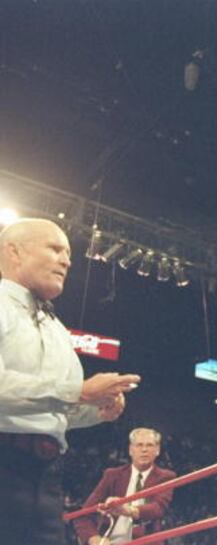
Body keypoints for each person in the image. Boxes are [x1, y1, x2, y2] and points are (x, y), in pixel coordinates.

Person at [0, 218, 141, 545]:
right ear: (14, 252)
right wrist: (79, 392)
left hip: (45, 477)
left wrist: (97, 410)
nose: (66, 261)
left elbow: (55, 411)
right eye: (55, 249)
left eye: (68, 254)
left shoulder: (58, 331)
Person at [73, 427, 176, 545]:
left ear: (157, 450)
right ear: (130, 450)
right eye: (139, 445)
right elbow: (83, 514)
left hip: (145, 542)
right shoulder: (112, 475)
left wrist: (128, 510)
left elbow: (158, 508)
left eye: (149, 445)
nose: (144, 450)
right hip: (110, 540)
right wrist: (95, 540)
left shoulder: (165, 476)